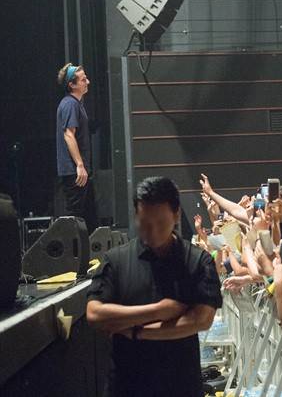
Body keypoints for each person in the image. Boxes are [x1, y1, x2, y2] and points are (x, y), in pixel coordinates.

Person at [86, 176, 223, 397]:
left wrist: (137, 332)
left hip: (180, 386)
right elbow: (94, 314)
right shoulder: (116, 259)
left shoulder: (198, 260)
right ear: (136, 215)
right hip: (126, 386)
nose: (152, 232)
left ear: (176, 215)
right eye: (144, 223)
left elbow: (201, 320)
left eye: (160, 223)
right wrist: (159, 310)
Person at [56, 63, 97, 232]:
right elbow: (68, 134)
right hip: (75, 171)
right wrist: (79, 165)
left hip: (81, 171)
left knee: (87, 218)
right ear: (72, 85)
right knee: (75, 218)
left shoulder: (76, 104)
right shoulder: (70, 104)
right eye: (83, 79)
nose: (87, 82)